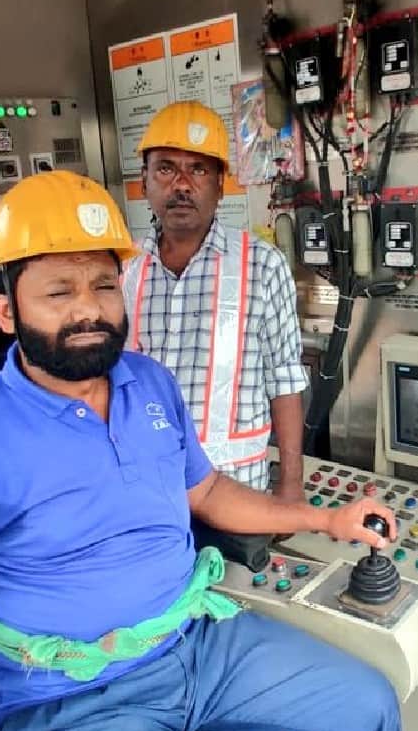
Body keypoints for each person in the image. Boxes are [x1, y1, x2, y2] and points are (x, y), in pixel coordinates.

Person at [0, 170, 402, 731]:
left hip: (199, 644)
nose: (90, 311)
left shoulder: (149, 382)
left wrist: (326, 519)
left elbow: (205, 492)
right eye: (59, 291)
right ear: (7, 312)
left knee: (367, 706)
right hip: (72, 695)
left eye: (104, 285)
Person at [122, 100, 309, 499]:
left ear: (221, 184)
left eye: (199, 169)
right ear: (145, 181)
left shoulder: (262, 266)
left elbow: (285, 380)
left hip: (237, 488)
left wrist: (291, 484)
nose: (182, 184)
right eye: (166, 168)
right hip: (145, 489)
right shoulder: (124, 269)